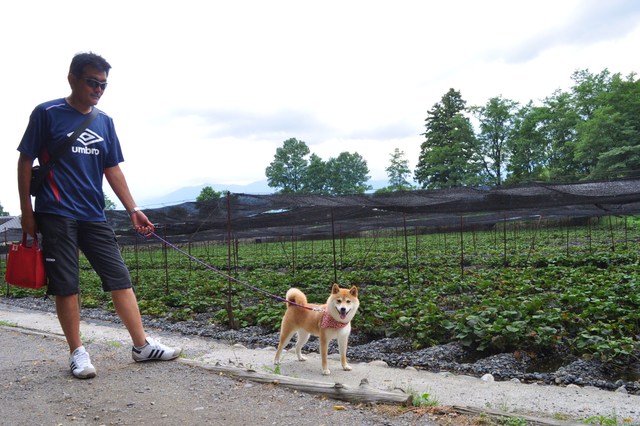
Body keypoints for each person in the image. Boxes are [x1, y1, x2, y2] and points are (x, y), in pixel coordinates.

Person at [16, 52, 181, 379]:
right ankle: (77, 352)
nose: (98, 90)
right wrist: (27, 212)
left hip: (94, 214)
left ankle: (141, 345)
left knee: (119, 276)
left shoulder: (104, 121)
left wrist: (133, 209)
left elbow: (112, 168)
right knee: (66, 284)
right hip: (56, 212)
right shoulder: (47, 113)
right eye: (92, 82)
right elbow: (25, 161)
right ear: (72, 78)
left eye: (103, 85)